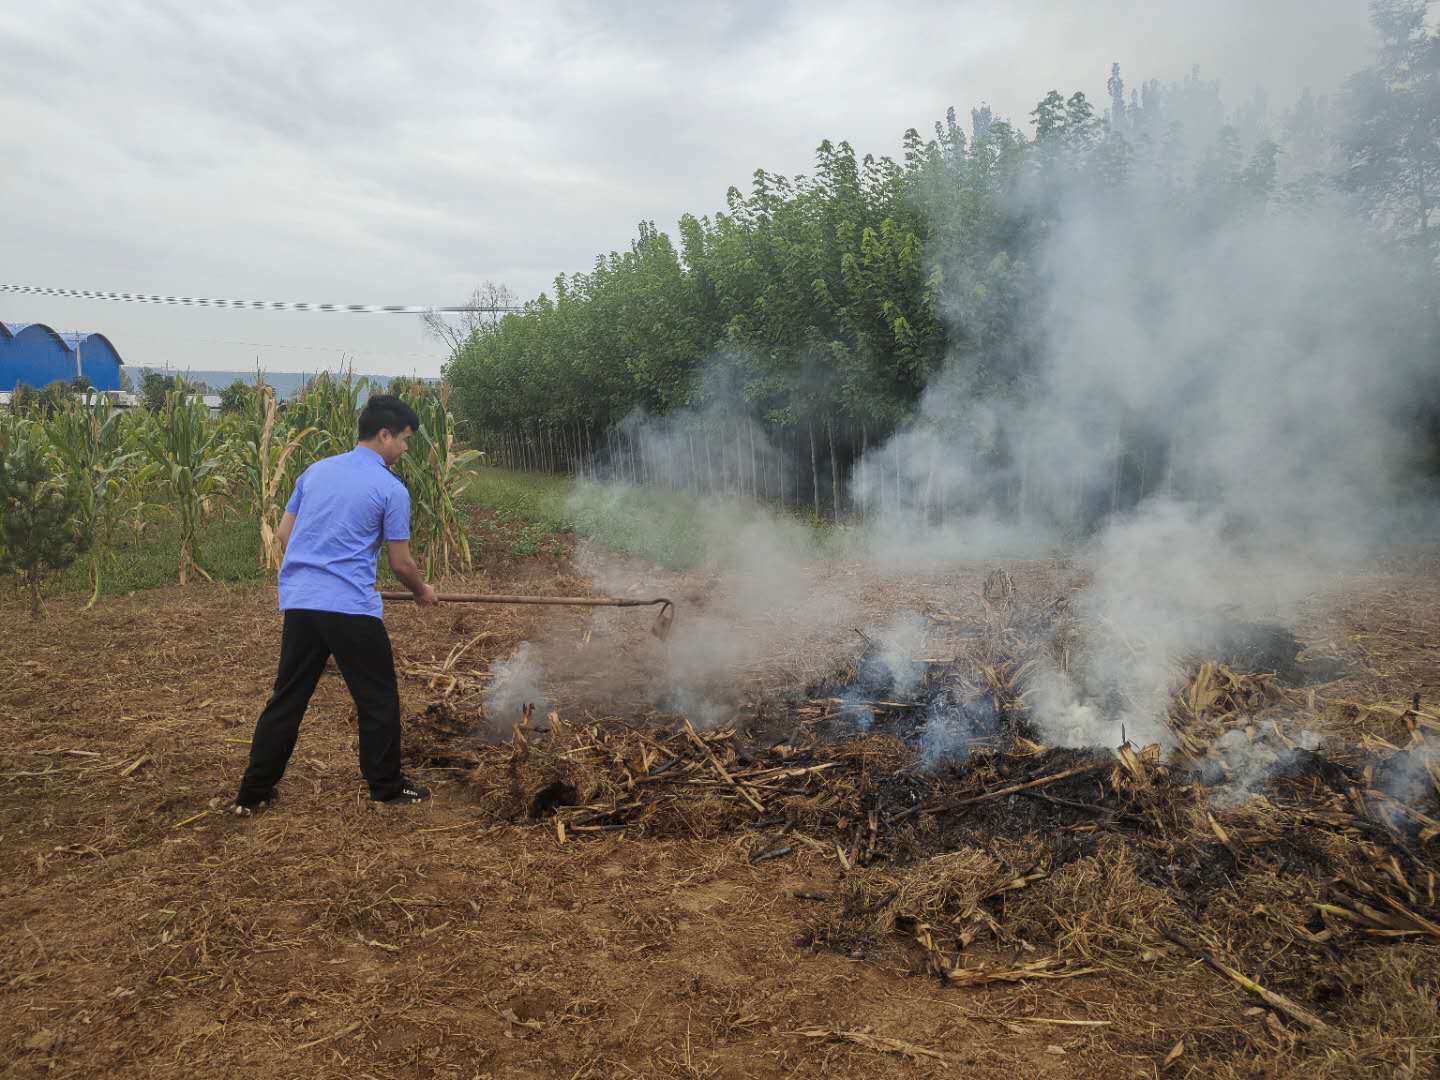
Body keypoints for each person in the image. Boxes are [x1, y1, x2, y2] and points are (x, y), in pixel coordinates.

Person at [230, 394, 439, 814]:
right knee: (377, 700)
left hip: (302, 604)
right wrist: (422, 592)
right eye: (405, 440)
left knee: (287, 698)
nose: (405, 449)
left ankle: (253, 793)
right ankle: (386, 786)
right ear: (384, 435)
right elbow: (401, 562)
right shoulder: (390, 489)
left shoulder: (316, 471)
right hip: (350, 609)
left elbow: (286, 536)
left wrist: (317, 567)